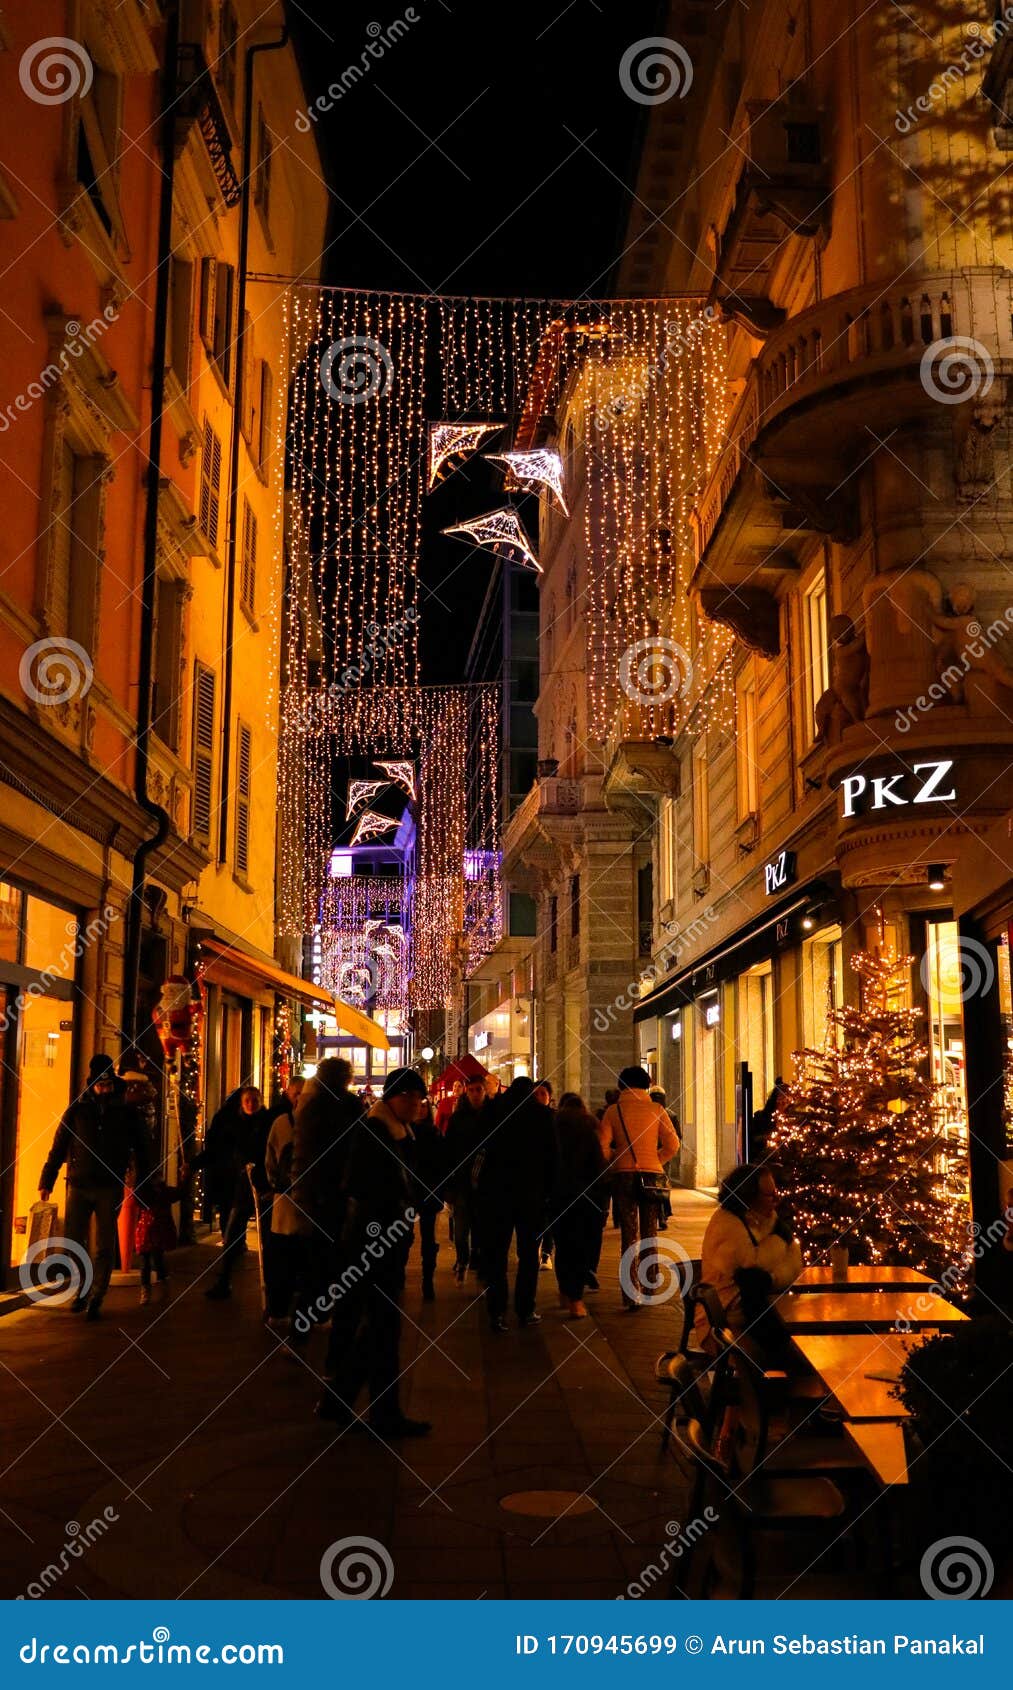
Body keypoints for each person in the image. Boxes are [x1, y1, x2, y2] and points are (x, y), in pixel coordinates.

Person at [317, 1068, 431, 1438]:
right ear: (393, 1099)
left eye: (419, 1097)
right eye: (409, 1096)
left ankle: (341, 1400)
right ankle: (383, 1413)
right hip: (372, 1247)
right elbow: (362, 1187)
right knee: (382, 1329)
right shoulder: (374, 1133)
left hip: (385, 1245)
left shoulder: (400, 1133)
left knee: (380, 1330)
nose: (416, 1103)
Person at [38, 1054, 150, 1321]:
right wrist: (47, 1179)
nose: (104, 1088)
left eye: (107, 1084)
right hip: (78, 1183)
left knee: (103, 1244)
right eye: (99, 1084)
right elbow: (59, 1146)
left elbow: (142, 1148)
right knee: (74, 1241)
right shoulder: (78, 1109)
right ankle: (83, 1290)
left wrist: (143, 1180)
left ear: (112, 1082)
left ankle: (96, 1294)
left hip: (109, 1185)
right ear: (92, 1084)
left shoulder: (125, 1112)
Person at [286, 1058, 364, 1351]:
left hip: (313, 1199)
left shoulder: (310, 1106)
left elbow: (303, 1156)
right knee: (337, 1267)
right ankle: (321, 1327)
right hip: (335, 1199)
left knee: (314, 1267)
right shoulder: (345, 1106)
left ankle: (303, 1327)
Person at [476, 1076, 557, 1332]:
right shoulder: (542, 1116)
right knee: (528, 1255)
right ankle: (525, 1309)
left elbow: (478, 1150)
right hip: (530, 1197)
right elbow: (553, 1159)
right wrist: (548, 1193)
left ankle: (496, 1312)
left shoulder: (493, 1111)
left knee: (496, 1255)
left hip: (496, 1196)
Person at [598, 1066, 679, 1309]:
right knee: (649, 1232)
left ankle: (630, 1294)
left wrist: (617, 1156)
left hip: (623, 1177)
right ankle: (651, 1284)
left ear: (621, 1085)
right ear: (646, 1085)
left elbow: (602, 1147)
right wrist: (655, 1159)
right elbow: (672, 1144)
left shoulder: (613, 1111)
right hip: (651, 1176)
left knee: (629, 1235)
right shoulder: (656, 1109)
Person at [696, 1163, 803, 1347]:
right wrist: (779, 1240)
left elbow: (793, 1260)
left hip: (751, 1312)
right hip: (722, 1323)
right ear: (748, 1197)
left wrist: (772, 1278)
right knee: (784, 1347)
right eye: (768, 1195)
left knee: (791, 1337)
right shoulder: (727, 1224)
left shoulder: (766, 1218)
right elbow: (753, 1263)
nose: (776, 1199)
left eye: (775, 1192)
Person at [198, 1086, 271, 1300]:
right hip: (242, 1187)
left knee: (267, 1235)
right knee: (232, 1233)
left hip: (263, 1185)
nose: (251, 1104)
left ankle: (271, 1284)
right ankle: (224, 1280)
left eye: (254, 1100)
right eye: (247, 1100)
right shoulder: (232, 1125)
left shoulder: (267, 1123)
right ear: (241, 1102)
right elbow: (218, 1150)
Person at [551, 1093, 607, 1318]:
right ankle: (576, 1298)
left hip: (559, 1197)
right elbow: (598, 1167)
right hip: (586, 1198)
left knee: (563, 1246)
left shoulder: (553, 1130)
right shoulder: (589, 1130)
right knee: (581, 1247)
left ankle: (565, 1291)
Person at [263, 1077, 306, 1329]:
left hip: (286, 1200)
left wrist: (274, 1185)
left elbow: (269, 1160)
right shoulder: (282, 1123)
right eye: (296, 1093)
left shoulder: (280, 1123)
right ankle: (287, 1308)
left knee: (284, 1258)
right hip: (294, 1202)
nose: (299, 1098)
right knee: (289, 1258)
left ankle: (280, 1308)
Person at [443, 1074, 488, 1282]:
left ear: (485, 1091)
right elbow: (449, 1152)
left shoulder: (493, 1115)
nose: (475, 1094)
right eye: (472, 1090)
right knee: (461, 1231)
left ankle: (477, 1260)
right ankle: (463, 1258)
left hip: (486, 1183)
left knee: (480, 1227)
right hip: (462, 1183)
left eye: (479, 1090)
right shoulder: (458, 1119)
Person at [134, 1164, 189, 1304]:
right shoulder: (149, 1193)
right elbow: (180, 1193)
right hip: (147, 1230)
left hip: (153, 1230)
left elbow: (180, 1193)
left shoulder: (162, 1192)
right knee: (146, 1262)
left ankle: (159, 1287)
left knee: (156, 1260)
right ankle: (149, 1291)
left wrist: (184, 1178)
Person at [411, 1094, 446, 1301]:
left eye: (425, 1106)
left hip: (428, 1191)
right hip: (411, 1193)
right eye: (419, 1105)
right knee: (404, 1237)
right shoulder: (404, 1133)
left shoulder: (434, 1134)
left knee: (428, 1238)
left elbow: (441, 1165)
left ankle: (427, 1279)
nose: (421, 1109)